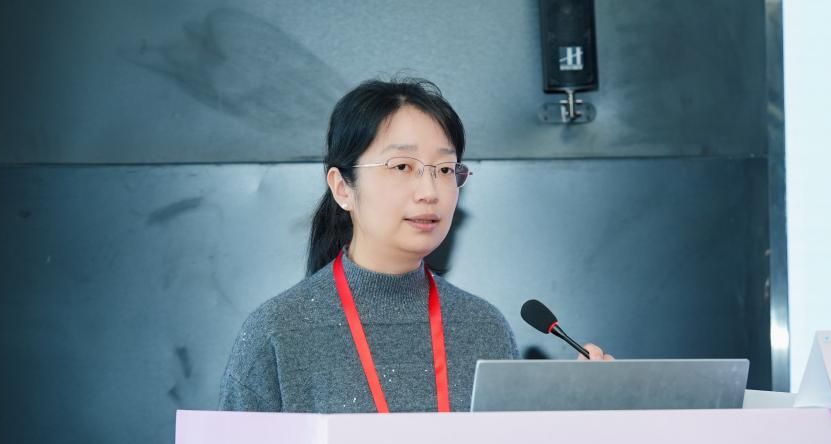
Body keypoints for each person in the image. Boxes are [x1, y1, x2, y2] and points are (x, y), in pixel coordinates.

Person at [219, 77, 607, 413]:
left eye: (444, 169)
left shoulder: (483, 328)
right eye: (402, 166)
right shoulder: (279, 332)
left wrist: (582, 415)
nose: (429, 191)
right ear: (343, 188)